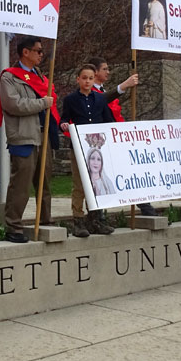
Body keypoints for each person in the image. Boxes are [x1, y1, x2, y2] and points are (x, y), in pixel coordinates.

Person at [0, 36, 57, 244]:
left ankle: (46, 221)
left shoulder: (40, 76)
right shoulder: (9, 77)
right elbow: (14, 105)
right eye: (38, 51)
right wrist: (42, 103)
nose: (41, 54)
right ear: (25, 52)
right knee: (21, 184)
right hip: (23, 136)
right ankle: (13, 226)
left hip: (42, 134)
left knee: (44, 182)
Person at [86, 56, 152, 216]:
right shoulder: (91, 93)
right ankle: (97, 216)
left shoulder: (102, 90)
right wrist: (123, 86)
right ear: (95, 72)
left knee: (130, 172)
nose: (108, 72)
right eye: (105, 69)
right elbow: (101, 100)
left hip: (115, 139)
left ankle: (146, 207)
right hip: (102, 142)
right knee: (99, 177)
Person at [59, 63, 116, 237]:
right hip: (78, 147)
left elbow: (109, 120)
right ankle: (78, 219)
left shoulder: (100, 99)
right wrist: (64, 125)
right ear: (78, 79)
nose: (87, 81)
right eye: (84, 78)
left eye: (91, 78)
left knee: (96, 183)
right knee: (79, 184)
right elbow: (63, 119)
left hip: (97, 149)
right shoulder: (70, 100)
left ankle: (95, 219)